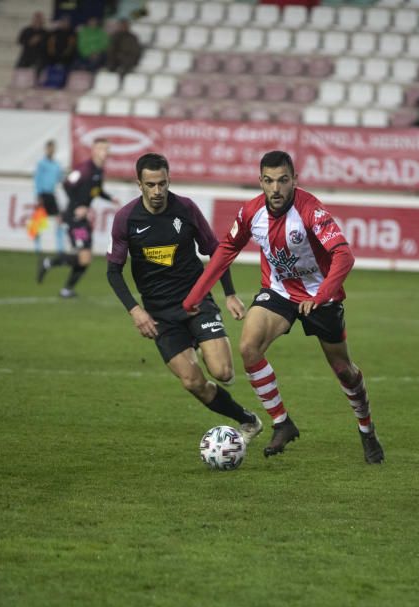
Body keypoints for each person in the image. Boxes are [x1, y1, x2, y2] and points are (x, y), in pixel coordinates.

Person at [182, 151, 385, 464]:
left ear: (294, 181)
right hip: (278, 292)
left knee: (343, 369)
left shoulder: (311, 210)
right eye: (268, 181)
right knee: (249, 347)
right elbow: (226, 250)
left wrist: (321, 296)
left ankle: (366, 429)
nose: (275, 188)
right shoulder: (251, 212)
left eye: (282, 180)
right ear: (261, 181)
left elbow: (344, 256)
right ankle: (282, 422)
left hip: (321, 295)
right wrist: (194, 297)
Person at [106, 153, 263, 442]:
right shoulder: (126, 219)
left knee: (224, 372)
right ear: (139, 184)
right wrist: (135, 311)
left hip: (196, 302)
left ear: (169, 180)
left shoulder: (186, 209)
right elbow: (113, 272)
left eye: (162, 184)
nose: (157, 191)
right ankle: (247, 420)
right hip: (160, 315)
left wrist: (229, 293)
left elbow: (216, 252)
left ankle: (203, 341)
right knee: (192, 382)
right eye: (150, 185)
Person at [37, 137, 120, 298]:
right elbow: (66, 184)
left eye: (107, 149)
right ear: (94, 150)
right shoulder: (85, 169)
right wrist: (77, 206)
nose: (105, 152)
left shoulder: (99, 170)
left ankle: (66, 289)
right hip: (74, 220)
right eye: (102, 148)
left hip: (82, 220)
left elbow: (96, 190)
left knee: (85, 259)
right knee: (84, 256)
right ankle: (49, 263)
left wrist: (110, 198)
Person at [33, 139, 64, 254]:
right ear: (46, 149)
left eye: (53, 148)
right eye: (49, 148)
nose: (51, 150)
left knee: (60, 221)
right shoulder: (41, 164)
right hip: (42, 195)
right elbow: (37, 180)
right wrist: (38, 194)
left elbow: (60, 179)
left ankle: (60, 248)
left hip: (51, 195)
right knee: (37, 223)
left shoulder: (57, 165)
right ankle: (37, 248)